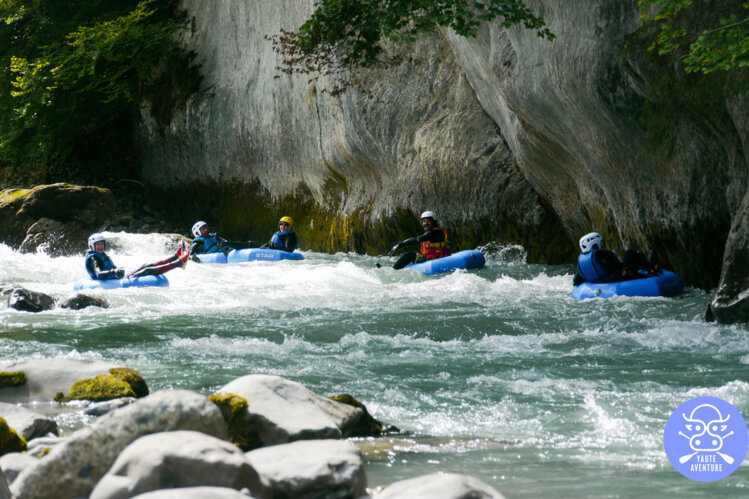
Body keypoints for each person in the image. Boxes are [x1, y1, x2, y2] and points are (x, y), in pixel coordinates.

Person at [85, 233, 189, 280]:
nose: (101, 246)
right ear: (92, 246)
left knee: (145, 265)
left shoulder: (100, 254)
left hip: (115, 278)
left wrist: (115, 272)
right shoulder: (92, 258)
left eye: (102, 244)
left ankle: (174, 258)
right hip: (110, 281)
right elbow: (98, 274)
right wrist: (114, 271)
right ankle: (178, 263)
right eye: (98, 244)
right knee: (147, 270)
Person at [573, 232, 656, 286]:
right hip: (617, 279)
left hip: (603, 283)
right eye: (600, 242)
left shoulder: (582, 262)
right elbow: (621, 271)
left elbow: (576, 281)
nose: (601, 244)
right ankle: (651, 267)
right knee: (630, 253)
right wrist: (644, 276)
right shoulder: (600, 256)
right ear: (594, 243)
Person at [385, 211, 452, 270]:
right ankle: (392, 266)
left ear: (434, 222)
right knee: (405, 255)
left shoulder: (436, 232)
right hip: (430, 259)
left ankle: (393, 269)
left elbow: (418, 239)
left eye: (428, 221)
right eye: (423, 221)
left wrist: (401, 244)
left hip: (438, 261)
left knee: (410, 255)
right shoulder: (430, 233)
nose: (425, 223)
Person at [189, 221, 256, 257]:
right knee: (225, 246)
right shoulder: (198, 242)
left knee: (227, 244)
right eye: (203, 229)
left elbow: (226, 242)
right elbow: (191, 254)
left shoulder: (214, 235)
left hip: (224, 251)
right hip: (215, 255)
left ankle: (250, 245)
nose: (206, 230)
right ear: (197, 233)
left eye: (206, 227)